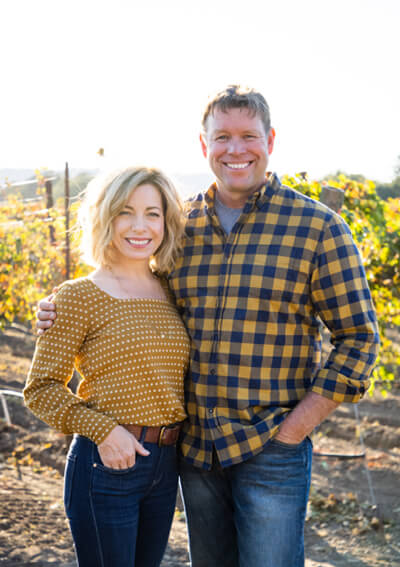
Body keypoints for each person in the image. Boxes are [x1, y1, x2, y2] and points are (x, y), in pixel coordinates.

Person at [36, 85, 380, 567]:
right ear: (204, 146)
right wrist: (58, 306)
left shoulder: (317, 228)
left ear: (270, 140)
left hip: (271, 447)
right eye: (222, 137)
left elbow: (360, 339)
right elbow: (131, 287)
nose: (235, 150)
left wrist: (294, 430)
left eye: (247, 136)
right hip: (195, 453)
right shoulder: (180, 223)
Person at [24, 166, 190, 567]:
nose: (140, 226)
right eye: (125, 212)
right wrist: (105, 431)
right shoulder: (78, 296)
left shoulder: (173, 288)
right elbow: (40, 389)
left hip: (165, 466)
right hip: (106, 463)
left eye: (153, 213)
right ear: (105, 217)